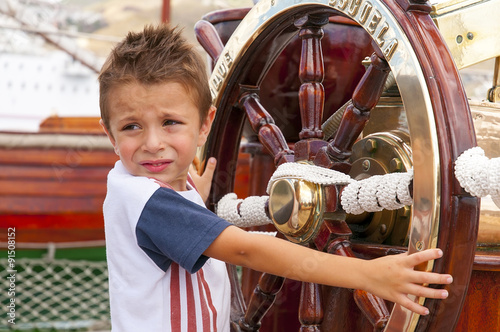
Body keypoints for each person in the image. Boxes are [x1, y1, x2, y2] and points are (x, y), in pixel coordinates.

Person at [98, 24, 452, 332]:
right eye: (131, 127)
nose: (153, 143)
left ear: (206, 124)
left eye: (170, 122)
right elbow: (245, 249)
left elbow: (178, 212)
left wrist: (192, 192)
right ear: (110, 135)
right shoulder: (147, 202)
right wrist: (367, 275)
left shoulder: (156, 191)